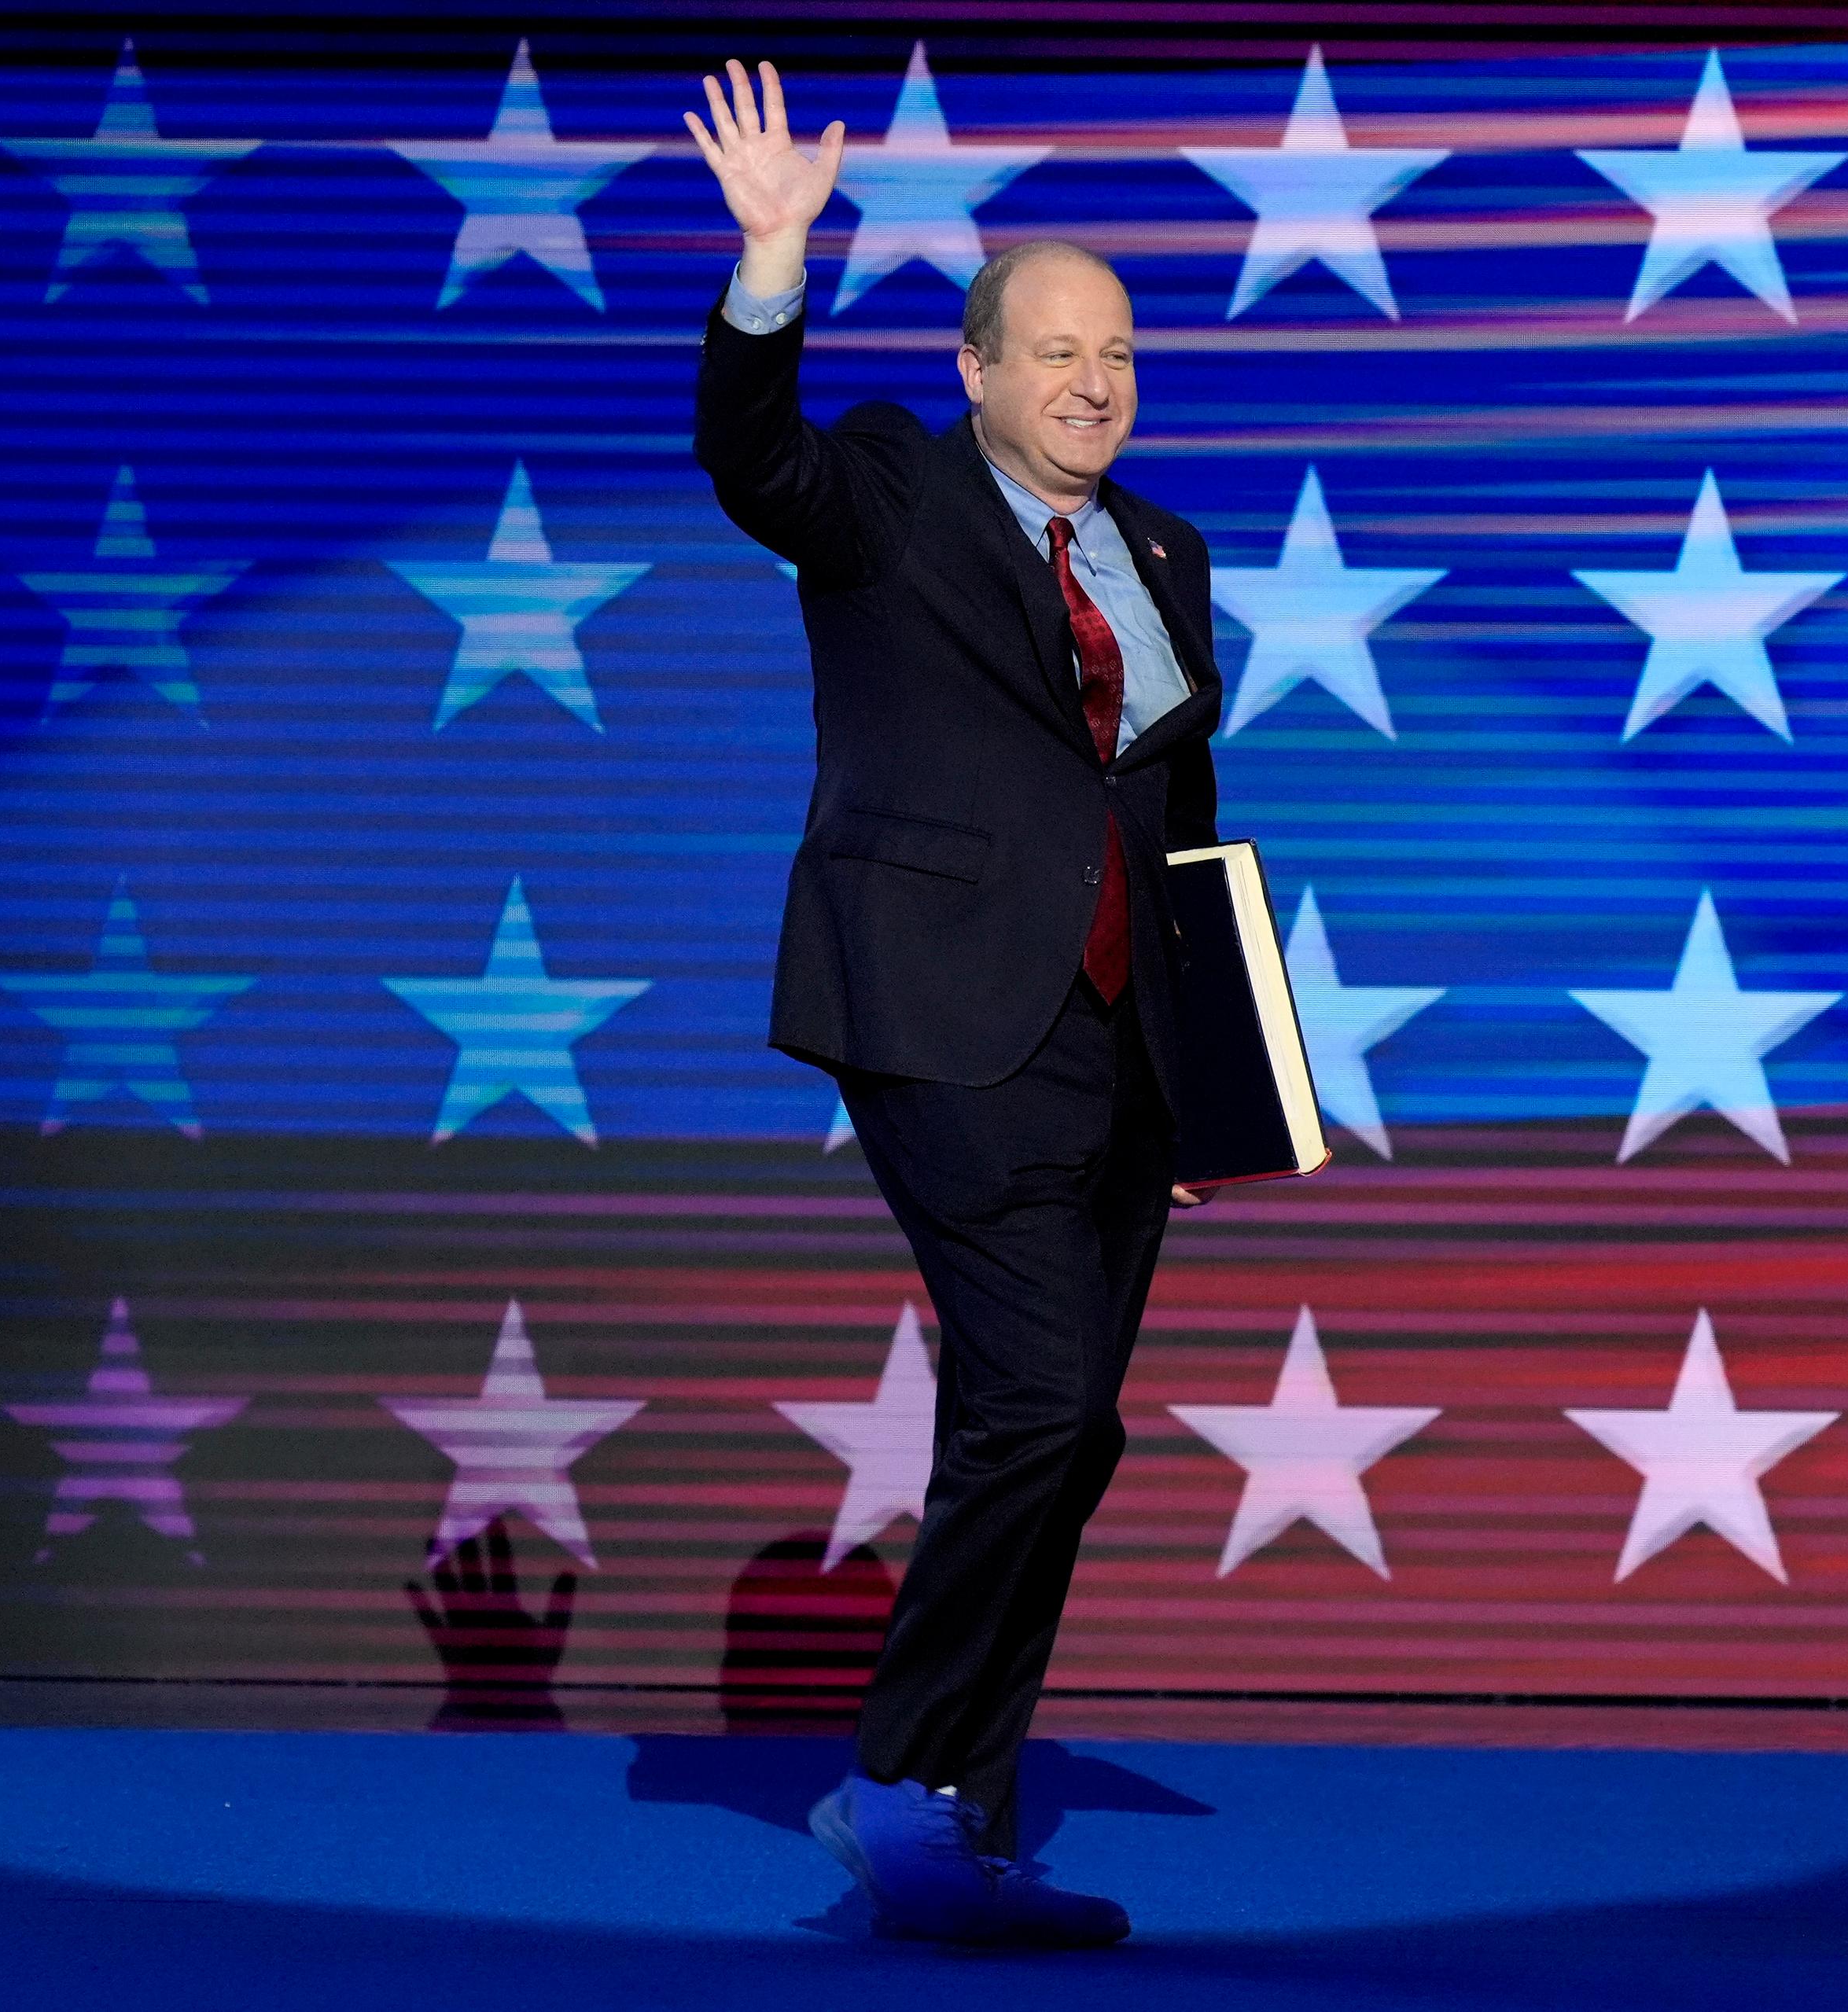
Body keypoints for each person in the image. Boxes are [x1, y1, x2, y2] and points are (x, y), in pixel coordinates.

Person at [686, 60, 1225, 1948]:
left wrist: (1214, 1087)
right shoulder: (899, 490)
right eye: (1056, 351)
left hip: (1121, 1053)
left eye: (1123, 354)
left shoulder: (1166, 554)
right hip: (939, 1012)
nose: (1094, 381)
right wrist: (773, 263)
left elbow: (1174, 824)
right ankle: (903, 1775)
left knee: (1067, 1427)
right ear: (983, 367)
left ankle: (964, 1826)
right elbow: (760, 460)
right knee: (1035, 1393)